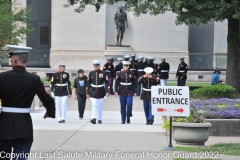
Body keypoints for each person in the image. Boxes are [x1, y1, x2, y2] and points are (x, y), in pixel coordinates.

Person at [0, 45, 55, 160]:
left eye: (11, 58)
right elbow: (46, 98)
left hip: (4, 125)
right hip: (24, 126)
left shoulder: (2, 77)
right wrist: (50, 111)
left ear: (14, 59)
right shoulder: (33, 79)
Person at [87, 60, 110, 124]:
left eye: (97, 65)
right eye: (94, 65)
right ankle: (94, 118)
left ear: (99, 66)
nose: (95, 66)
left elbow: (106, 83)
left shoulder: (103, 73)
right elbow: (88, 83)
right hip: (93, 91)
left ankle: (99, 118)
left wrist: (107, 91)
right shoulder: (91, 73)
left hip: (101, 91)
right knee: (94, 105)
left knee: (99, 106)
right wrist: (87, 92)